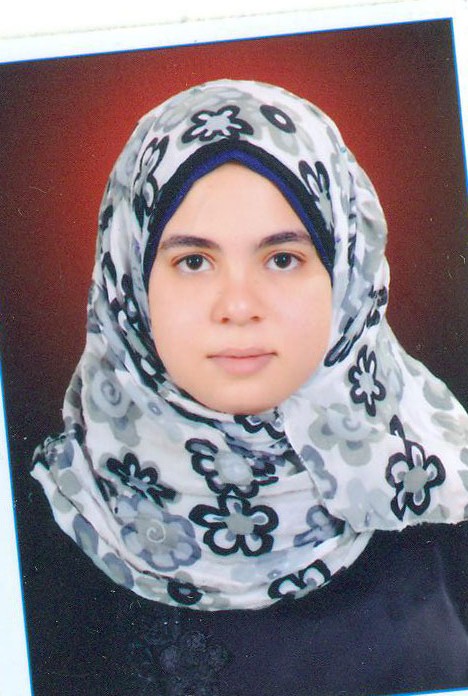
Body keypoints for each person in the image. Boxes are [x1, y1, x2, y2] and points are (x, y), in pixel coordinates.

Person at [31, 79, 468, 695]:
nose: (238, 306)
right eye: (193, 261)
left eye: (282, 258)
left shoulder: (438, 495)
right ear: (129, 281)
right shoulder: (49, 531)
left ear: (347, 272)